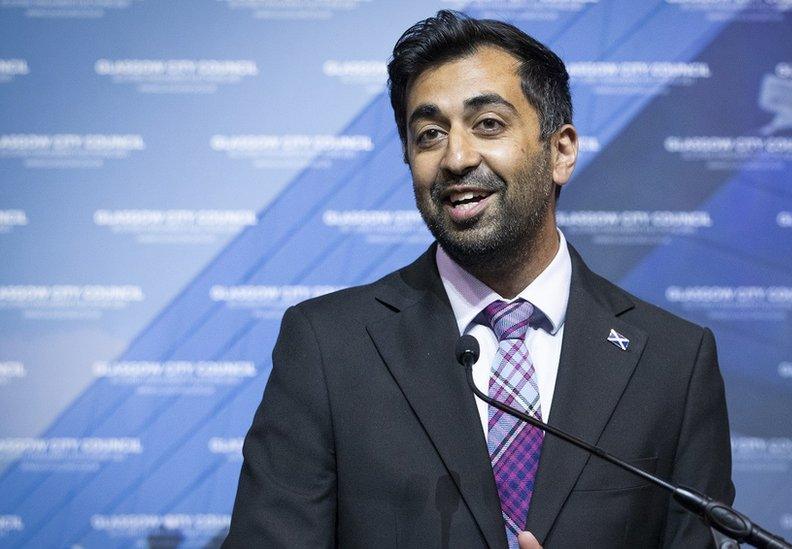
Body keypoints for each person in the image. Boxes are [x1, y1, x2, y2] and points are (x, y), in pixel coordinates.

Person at [224, 10, 733, 549]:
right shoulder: (329, 346)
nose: (456, 157)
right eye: (429, 134)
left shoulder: (674, 361)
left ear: (560, 152)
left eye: (488, 124)